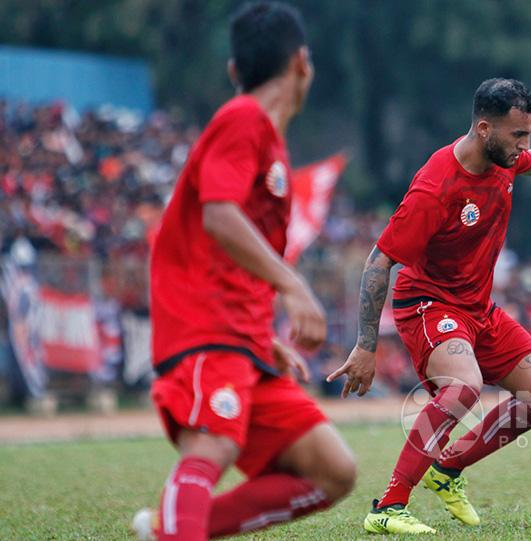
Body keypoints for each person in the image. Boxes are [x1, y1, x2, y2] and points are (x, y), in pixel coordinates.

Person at [326, 78, 531, 534]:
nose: (525, 146)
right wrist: (366, 345)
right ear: (483, 129)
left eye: (529, 134)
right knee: (463, 386)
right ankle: (388, 506)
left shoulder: (505, 158)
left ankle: (448, 468)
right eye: (518, 135)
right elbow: (379, 262)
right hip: (428, 304)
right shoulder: (436, 186)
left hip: (477, 307)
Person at [133, 3, 355, 540]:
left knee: (332, 471)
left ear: (234, 69)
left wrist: (264, 335)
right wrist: (293, 285)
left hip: (243, 338)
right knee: (213, 445)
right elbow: (218, 214)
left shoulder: (267, 141)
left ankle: (171, 530)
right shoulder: (243, 119)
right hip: (206, 327)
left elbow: (233, 245)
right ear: (303, 62)